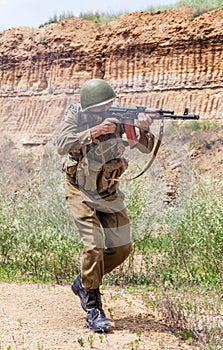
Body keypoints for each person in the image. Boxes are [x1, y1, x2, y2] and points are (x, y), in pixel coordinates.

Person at [56, 78, 155, 332]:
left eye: (110, 104)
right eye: (103, 106)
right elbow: (61, 145)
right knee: (94, 243)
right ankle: (93, 306)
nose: (109, 108)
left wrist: (142, 129)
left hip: (107, 190)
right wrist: (94, 131)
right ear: (90, 108)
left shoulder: (120, 119)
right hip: (79, 187)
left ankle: (83, 282)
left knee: (123, 248)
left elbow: (146, 149)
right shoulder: (75, 116)